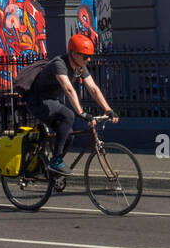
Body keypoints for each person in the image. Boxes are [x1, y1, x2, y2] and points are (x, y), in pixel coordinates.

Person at [15, 33, 116, 171]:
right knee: (69, 115)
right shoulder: (59, 64)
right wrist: (81, 112)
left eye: (90, 56)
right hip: (38, 101)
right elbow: (68, 89)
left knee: (68, 136)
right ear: (73, 53)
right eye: (85, 56)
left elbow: (93, 88)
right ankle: (56, 161)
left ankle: (53, 169)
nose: (88, 59)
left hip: (51, 102)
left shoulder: (80, 67)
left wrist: (108, 110)